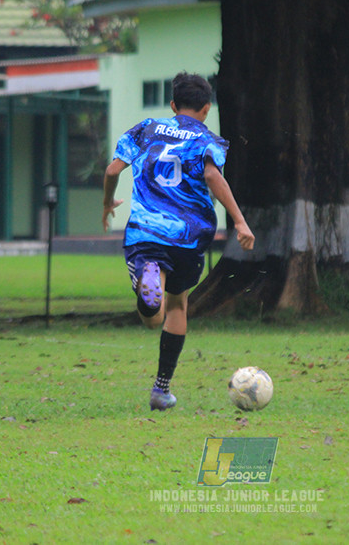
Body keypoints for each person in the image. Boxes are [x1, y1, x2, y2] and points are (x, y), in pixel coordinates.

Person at [102, 72, 255, 411]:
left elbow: (113, 171)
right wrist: (240, 222)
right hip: (188, 236)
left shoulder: (146, 129)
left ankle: (150, 278)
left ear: (173, 105)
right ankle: (161, 389)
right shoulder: (207, 140)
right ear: (206, 107)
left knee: (151, 317)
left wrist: (107, 202)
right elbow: (213, 176)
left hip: (146, 232)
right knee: (177, 305)